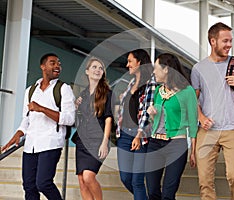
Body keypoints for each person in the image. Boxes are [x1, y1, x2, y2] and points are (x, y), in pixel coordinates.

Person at [191, 22, 234, 200]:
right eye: (225, 41)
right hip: (207, 131)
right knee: (205, 180)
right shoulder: (198, 68)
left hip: (233, 128)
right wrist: (201, 117)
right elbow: (192, 99)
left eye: (231, 41)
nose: (229, 45)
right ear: (213, 41)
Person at [1, 53, 75, 200]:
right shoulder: (30, 90)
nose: (57, 66)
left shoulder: (63, 89)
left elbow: (69, 119)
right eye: (52, 63)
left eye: (58, 63)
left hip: (51, 143)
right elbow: (26, 118)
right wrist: (19, 133)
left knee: (43, 183)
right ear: (43, 67)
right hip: (31, 144)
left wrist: (42, 109)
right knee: (29, 186)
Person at [145, 53, 198, 200]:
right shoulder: (158, 91)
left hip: (176, 144)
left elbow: (193, 122)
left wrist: (193, 151)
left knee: (168, 193)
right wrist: (152, 114)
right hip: (155, 143)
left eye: (156, 68)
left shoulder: (188, 92)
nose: (154, 72)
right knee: (152, 191)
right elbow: (157, 121)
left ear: (166, 69)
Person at [116, 49, 156, 200]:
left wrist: (139, 135)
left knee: (137, 180)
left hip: (141, 135)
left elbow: (147, 112)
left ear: (139, 62)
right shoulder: (131, 83)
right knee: (125, 177)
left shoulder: (150, 84)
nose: (127, 65)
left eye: (130, 61)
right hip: (124, 134)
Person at [71, 57, 113, 200]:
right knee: (82, 181)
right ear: (87, 71)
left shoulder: (108, 93)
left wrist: (105, 142)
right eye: (94, 67)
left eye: (100, 68)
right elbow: (78, 119)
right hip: (82, 141)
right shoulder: (83, 94)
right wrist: (76, 107)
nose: (97, 70)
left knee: (89, 177)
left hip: (97, 141)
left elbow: (108, 119)